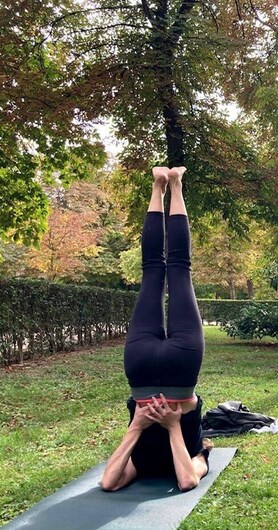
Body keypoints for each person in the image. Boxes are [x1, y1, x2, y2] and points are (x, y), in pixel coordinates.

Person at [101, 166, 211, 493]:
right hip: (179, 369)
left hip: (145, 368)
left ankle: (165, 185)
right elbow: (187, 480)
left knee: (161, 271)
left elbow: (108, 483)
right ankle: (166, 185)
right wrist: (173, 425)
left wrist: (136, 426)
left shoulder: (138, 461)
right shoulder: (200, 454)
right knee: (172, 270)